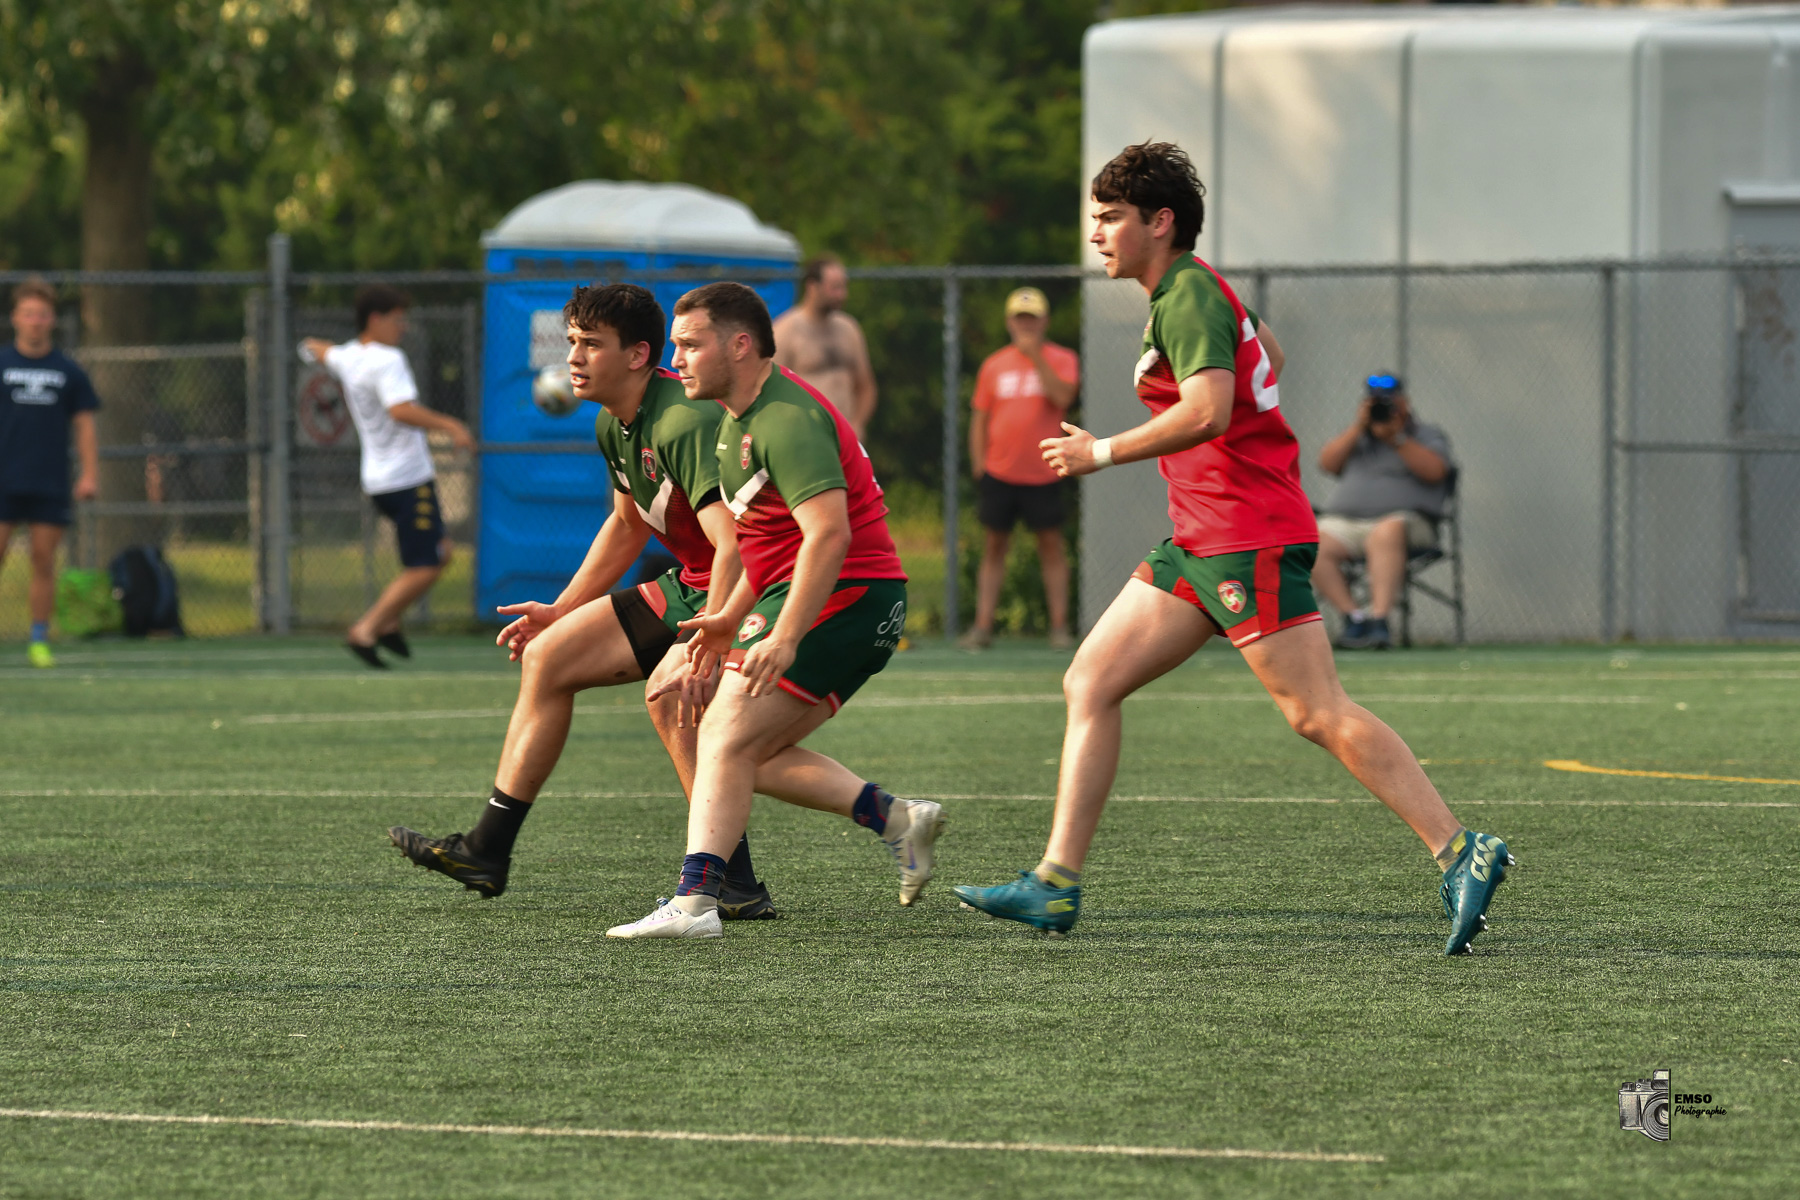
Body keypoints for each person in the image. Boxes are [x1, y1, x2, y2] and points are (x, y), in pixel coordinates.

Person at [952, 142, 1511, 957]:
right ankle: (1054, 884)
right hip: (1201, 537)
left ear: (1160, 221)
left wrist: (1100, 452)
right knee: (1091, 679)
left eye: (1110, 219)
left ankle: (1462, 849)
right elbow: (1266, 360)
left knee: (1315, 711)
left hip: (1242, 535)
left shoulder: (1186, 296)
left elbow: (1210, 410)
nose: (1097, 234)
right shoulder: (1194, 290)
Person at [388, 284, 920, 920]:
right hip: (704, 583)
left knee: (698, 715)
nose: (574, 360)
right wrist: (561, 609)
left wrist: (715, 635)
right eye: (571, 344)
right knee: (551, 657)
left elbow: (743, 545)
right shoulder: (617, 422)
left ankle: (720, 883)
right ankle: (489, 849)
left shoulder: (690, 420)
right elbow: (628, 523)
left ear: (637, 356)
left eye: (591, 345)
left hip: (753, 585)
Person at [607, 282, 940, 940]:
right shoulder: (736, 422)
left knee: (724, 735)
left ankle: (697, 904)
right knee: (739, 748)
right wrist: (729, 618)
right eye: (675, 345)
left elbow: (829, 535)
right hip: (823, 595)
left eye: (690, 344)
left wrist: (783, 637)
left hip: (847, 596)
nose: (678, 360)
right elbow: (763, 542)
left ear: (740, 345)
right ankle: (897, 820)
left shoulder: (783, 419)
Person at [303, 285, 474, 668]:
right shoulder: (387, 360)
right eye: (398, 319)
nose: (404, 326)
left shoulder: (347, 356)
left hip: (379, 482)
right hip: (407, 478)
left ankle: (391, 622)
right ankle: (368, 628)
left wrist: (311, 348)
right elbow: (399, 410)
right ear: (375, 319)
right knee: (427, 563)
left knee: (441, 551)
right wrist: (452, 426)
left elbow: (320, 349)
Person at [960, 286, 1081, 651]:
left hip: (1045, 471)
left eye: (1032, 318)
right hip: (1000, 472)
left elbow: (1063, 397)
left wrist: (1036, 358)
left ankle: (1059, 628)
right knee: (994, 546)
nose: (1025, 325)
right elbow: (979, 418)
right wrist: (980, 464)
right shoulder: (994, 365)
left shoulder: (1062, 358)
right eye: (1019, 318)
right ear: (1009, 322)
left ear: (1044, 321)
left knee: (1051, 546)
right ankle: (983, 627)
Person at [1310, 373, 1453, 650]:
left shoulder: (1426, 434)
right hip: (1348, 524)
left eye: (1390, 401)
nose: (1383, 407)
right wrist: (1358, 427)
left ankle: (1379, 621)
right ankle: (1355, 618)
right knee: (1311, 539)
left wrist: (1396, 438)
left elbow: (1436, 472)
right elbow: (1327, 463)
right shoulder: (1358, 437)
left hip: (1409, 524)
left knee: (1386, 531)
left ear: (1405, 403)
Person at [0, 278, 99, 669]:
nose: (35, 321)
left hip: (49, 480)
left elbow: (85, 425)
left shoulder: (68, 372)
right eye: (28, 314)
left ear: (52, 320)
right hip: (4, 478)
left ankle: (38, 638)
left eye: (42, 315)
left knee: (43, 560)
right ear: (15, 318)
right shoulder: (3, 365)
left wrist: (89, 474)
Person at [772, 255, 877, 440]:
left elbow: (865, 386)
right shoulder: (785, 331)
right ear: (813, 287)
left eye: (843, 287)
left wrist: (858, 424)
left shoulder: (849, 328)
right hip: (806, 440)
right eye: (835, 287)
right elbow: (769, 392)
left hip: (846, 440)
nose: (842, 294)